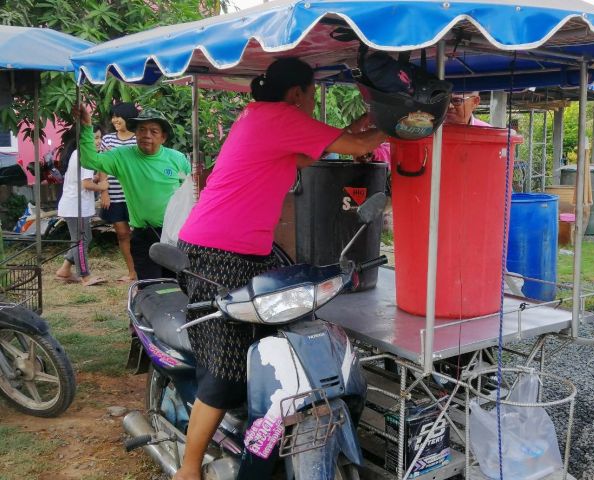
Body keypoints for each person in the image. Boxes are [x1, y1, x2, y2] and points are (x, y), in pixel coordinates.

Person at [173, 57, 386, 480]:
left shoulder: (264, 118)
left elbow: (320, 152)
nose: (311, 105)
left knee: (288, 335)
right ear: (297, 94)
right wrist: (405, 123)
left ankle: (267, 429)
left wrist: (372, 120)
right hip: (214, 252)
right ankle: (190, 466)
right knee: (228, 363)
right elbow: (359, 148)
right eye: (310, 96)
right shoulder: (278, 116)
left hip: (252, 251)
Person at [76, 106, 190, 280]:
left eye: (153, 131)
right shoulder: (122, 156)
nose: (146, 135)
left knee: (176, 286)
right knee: (150, 286)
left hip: (175, 235)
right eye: (142, 130)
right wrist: (86, 127)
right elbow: (90, 160)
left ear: (163, 137)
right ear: (135, 133)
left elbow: (190, 191)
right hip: (145, 234)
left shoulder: (177, 159)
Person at [54, 125, 108, 286]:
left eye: (99, 137)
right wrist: (102, 187)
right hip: (75, 206)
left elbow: (84, 181)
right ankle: (85, 276)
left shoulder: (81, 154)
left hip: (76, 205)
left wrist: (96, 180)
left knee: (83, 238)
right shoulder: (84, 156)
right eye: (95, 138)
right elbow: (86, 184)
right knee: (80, 241)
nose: (98, 141)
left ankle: (64, 271)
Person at [98, 102, 139, 282]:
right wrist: (104, 192)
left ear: (128, 117)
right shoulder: (108, 139)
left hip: (135, 194)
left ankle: (143, 269)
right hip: (114, 193)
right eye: (113, 116)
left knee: (139, 234)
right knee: (122, 233)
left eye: (118, 116)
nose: (115, 120)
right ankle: (132, 272)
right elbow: (102, 166)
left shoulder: (138, 139)